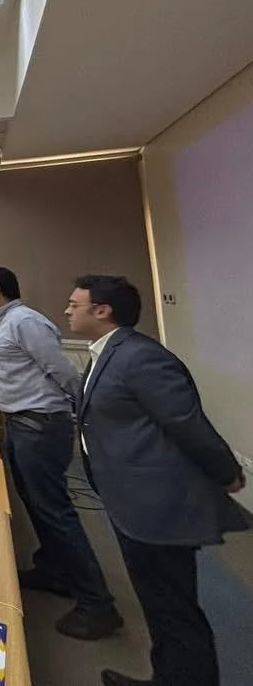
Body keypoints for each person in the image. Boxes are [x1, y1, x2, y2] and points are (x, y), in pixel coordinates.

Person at [66, 275, 247, 686]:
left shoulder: (141, 357)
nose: (67, 310)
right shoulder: (105, 353)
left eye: (74, 304)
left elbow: (186, 422)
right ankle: (167, 676)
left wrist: (226, 473)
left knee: (173, 606)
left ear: (102, 310)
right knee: (158, 602)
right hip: (131, 500)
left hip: (157, 504)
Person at [0, 267, 121, 640]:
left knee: (54, 510)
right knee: (36, 503)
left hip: (39, 426)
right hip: (22, 424)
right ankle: (53, 569)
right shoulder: (4, 321)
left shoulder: (24, 321)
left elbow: (64, 373)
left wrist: (82, 410)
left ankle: (98, 603)